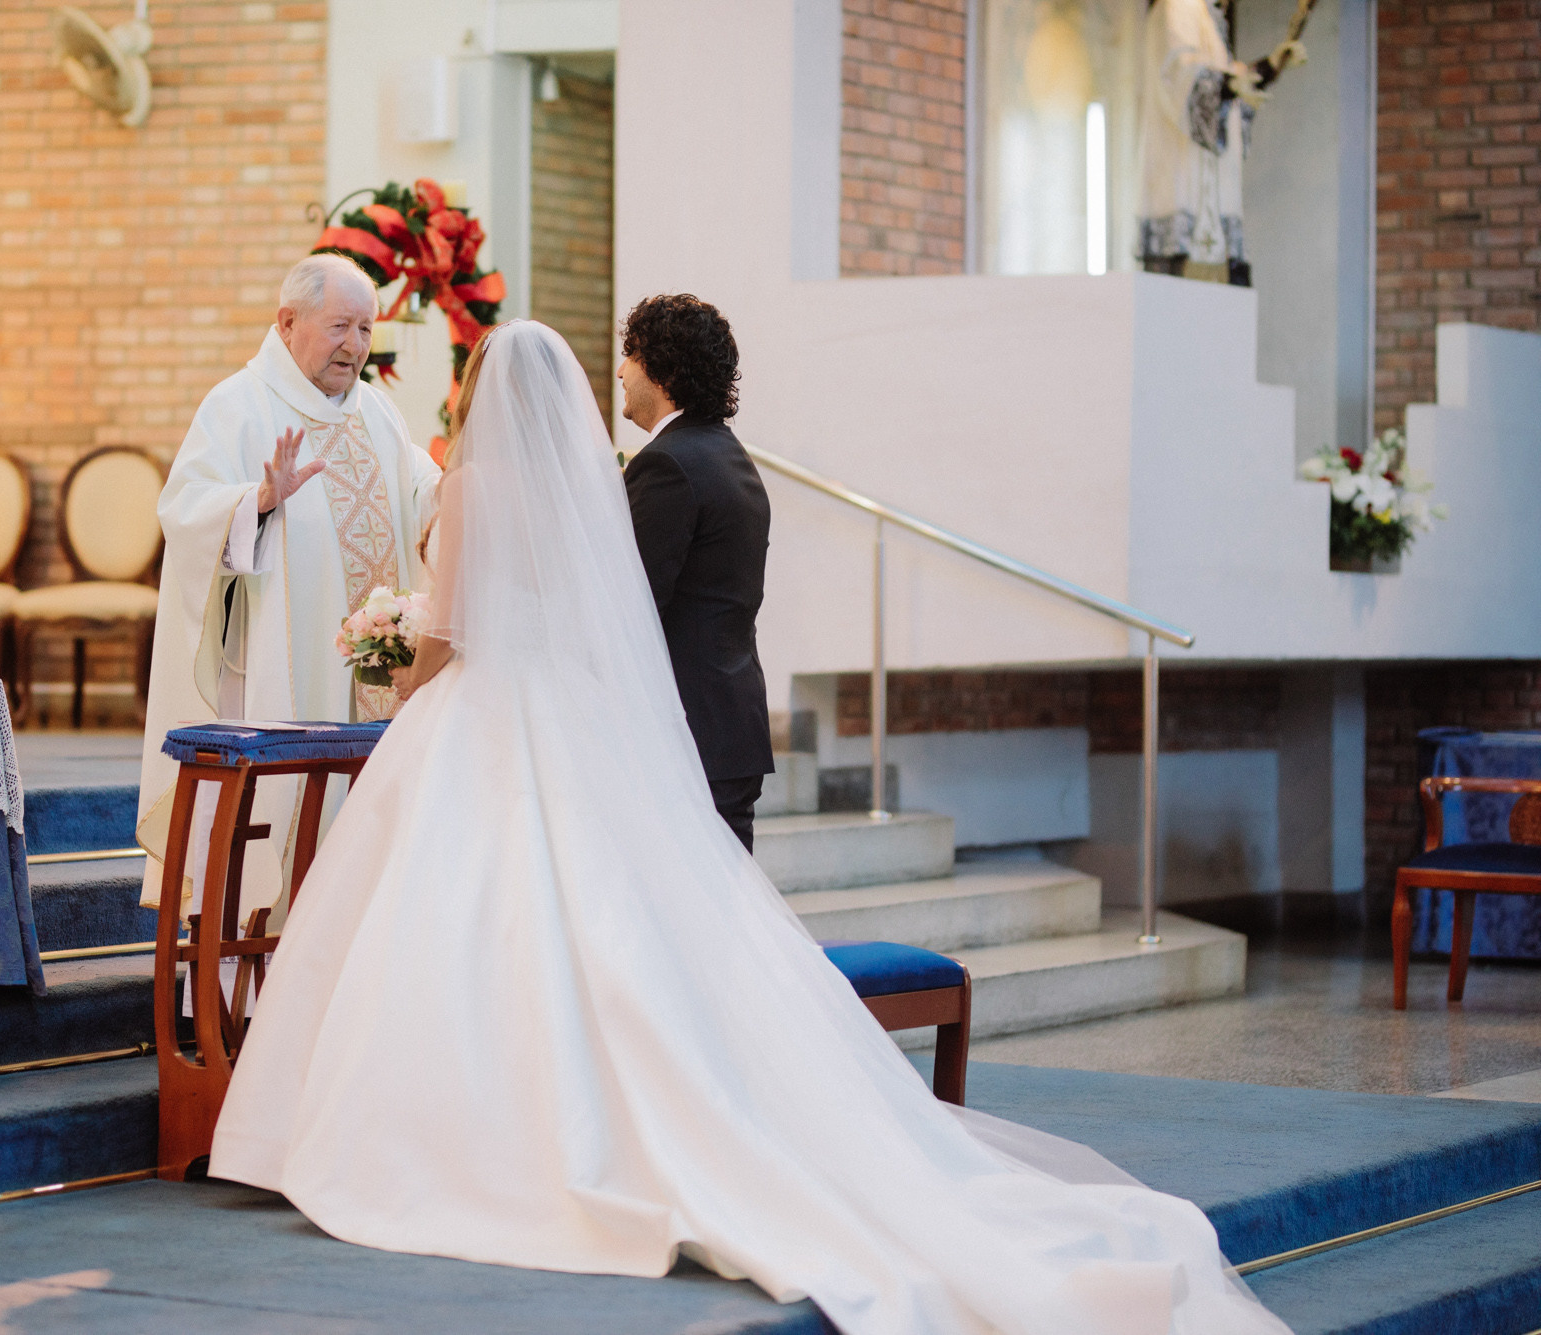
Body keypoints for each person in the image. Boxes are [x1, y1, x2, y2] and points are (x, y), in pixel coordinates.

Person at [209, 320, 1292, 1335]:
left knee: (458, 912)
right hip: (578, 722)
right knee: (581, 925)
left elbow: (449, 626)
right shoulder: (609, 480)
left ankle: (453, 1131)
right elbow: (596, 609)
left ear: (484, 394)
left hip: (482, 712)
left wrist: (398, 671)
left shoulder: (494, 485)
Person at [135, 253, 440, 921]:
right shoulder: (238, 406)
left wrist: (458, 489)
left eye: (365, 329)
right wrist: (258, 500)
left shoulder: (379, 413)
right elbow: (183, 510)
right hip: (280, 684)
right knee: (286, 831)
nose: (354, 345)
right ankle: (255, 993)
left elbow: (419, 490)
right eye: (340, 326)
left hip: (380, 694)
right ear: (288, 321)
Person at [617, 294, 773, 851]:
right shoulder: (726, 454)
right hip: (726, 721)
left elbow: (628, 603)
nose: (620, 370)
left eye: (631, 354)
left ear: (665, 371)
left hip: (686, 731)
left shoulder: (668, 464)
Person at [1138, 0, 1307, 287]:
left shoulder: (1209, 18)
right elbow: (1179, 76)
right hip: (1183, 211)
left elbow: (1230, 90)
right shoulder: (1177, 8)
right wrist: (1230, 86)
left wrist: (1270, 66)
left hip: (1217, 216)